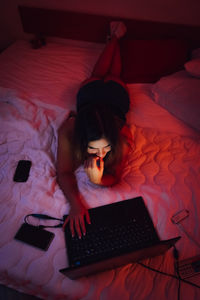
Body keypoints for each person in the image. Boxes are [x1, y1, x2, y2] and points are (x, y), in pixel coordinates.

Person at [56, 22, 132, 238]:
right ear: (82, 139)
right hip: (89, 97)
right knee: (98, 74)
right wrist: (76, 204)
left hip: (115, 100)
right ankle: (114, 39)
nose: (101, 155)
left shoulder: (123, 136)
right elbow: (63, 172)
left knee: (114, 74)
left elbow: (115, 176)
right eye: (94, 149)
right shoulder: (69, 129)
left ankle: (115, 39)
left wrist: (98, 180)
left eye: (106, 148)